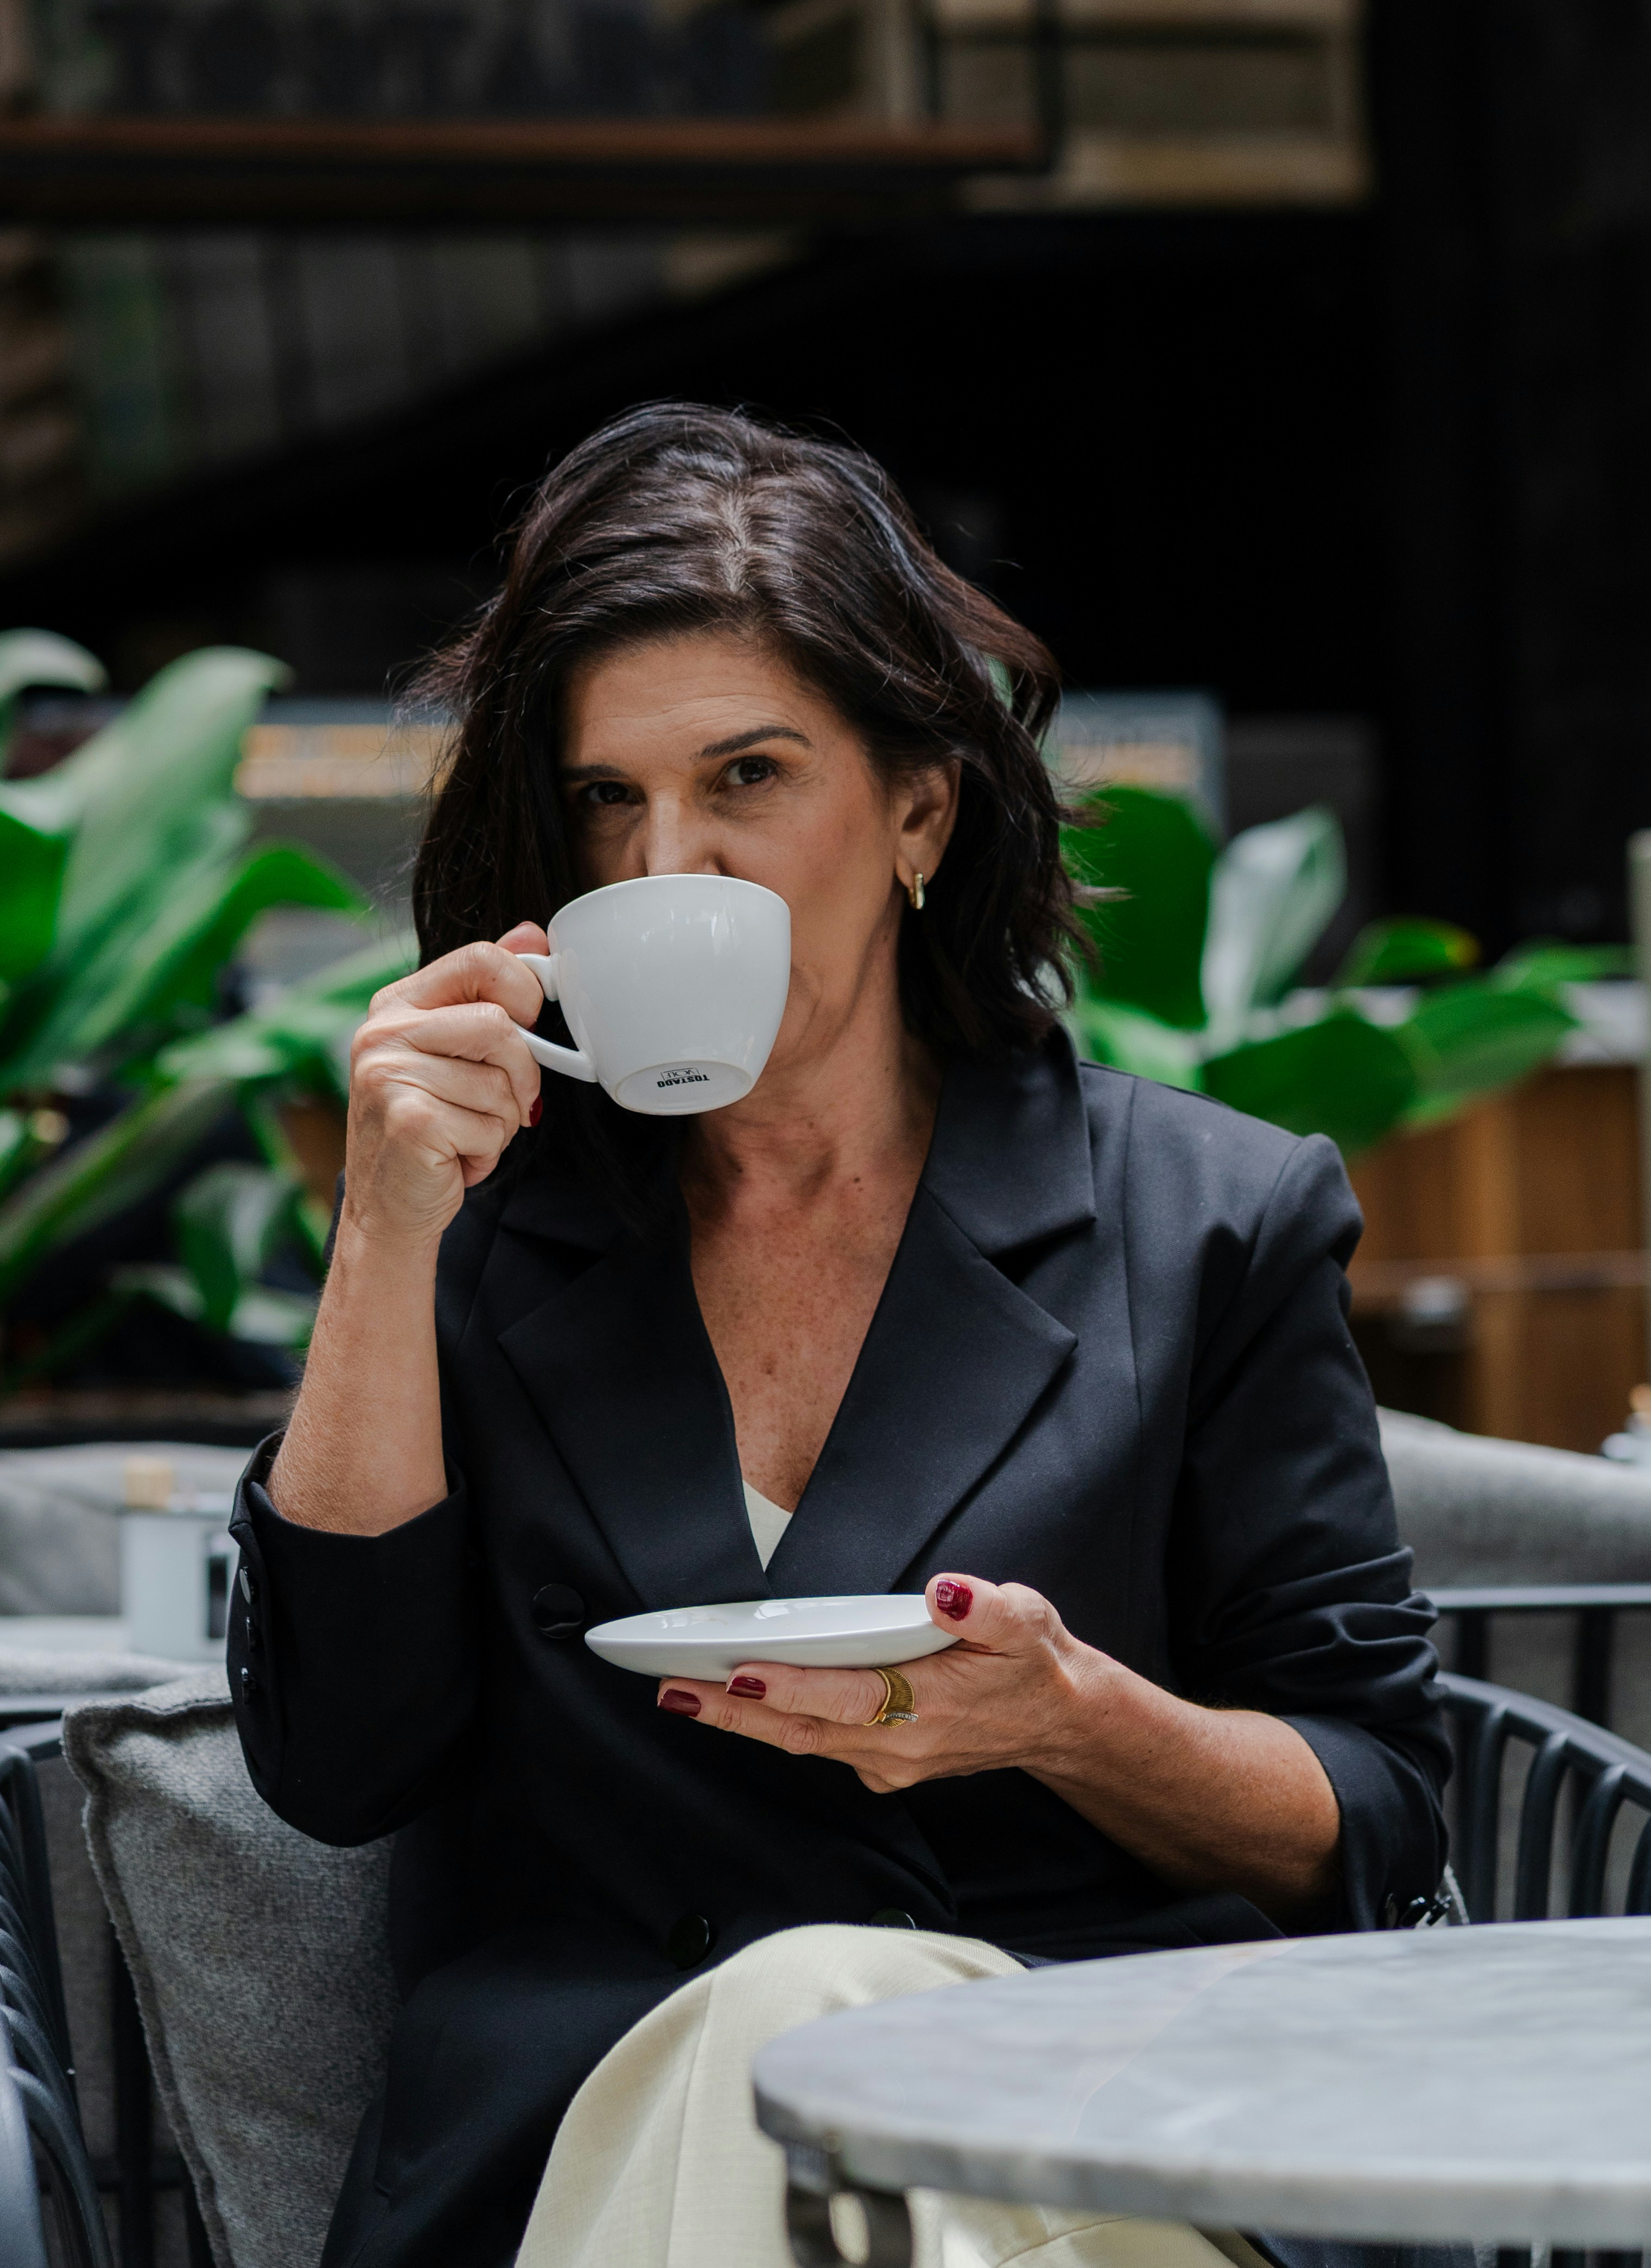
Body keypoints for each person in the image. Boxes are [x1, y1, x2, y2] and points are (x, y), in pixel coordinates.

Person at [227, 405, 1449, 2268]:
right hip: (595, 2134)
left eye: (748, 775)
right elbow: (337, 1761)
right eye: (607, 800)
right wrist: (385, 1235)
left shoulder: (1204, 1216)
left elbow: (1367, 1810)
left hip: (1099, 2117)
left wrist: (1066, 1719)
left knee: (823, 2008)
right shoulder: (473, 1221)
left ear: (918, 811)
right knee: (785, 2021)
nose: (671, 862)